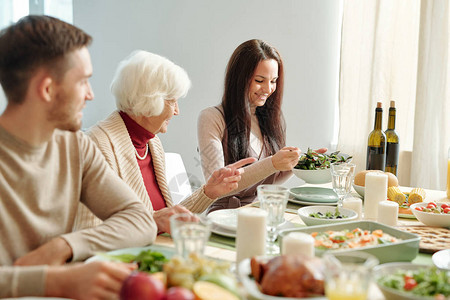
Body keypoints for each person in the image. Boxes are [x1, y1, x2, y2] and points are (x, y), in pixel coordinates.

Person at [0, 15, 159, 299]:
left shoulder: (76, 146)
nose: (91, 94)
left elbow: (139, 219)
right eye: (84, 81)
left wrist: (63, 246)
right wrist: (53, 282)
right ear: (47, 89)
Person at [74, 50, 255, 233]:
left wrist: (209, 192)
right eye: (172, 101)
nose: (177, 111)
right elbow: (88, 232)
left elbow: (165, 219)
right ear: (148, 100)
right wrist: (152, 221)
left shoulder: (152, 143)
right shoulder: (96, 146)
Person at [198, 39, 318, 212]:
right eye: (260, 80)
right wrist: (273, 163)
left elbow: (266, 179)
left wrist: (298, 163)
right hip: (224, 216)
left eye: (274, 81)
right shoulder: (212, 117)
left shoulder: (265, 118)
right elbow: (218, 185)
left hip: (258, 212)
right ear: (239, 79)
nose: (268, 89)